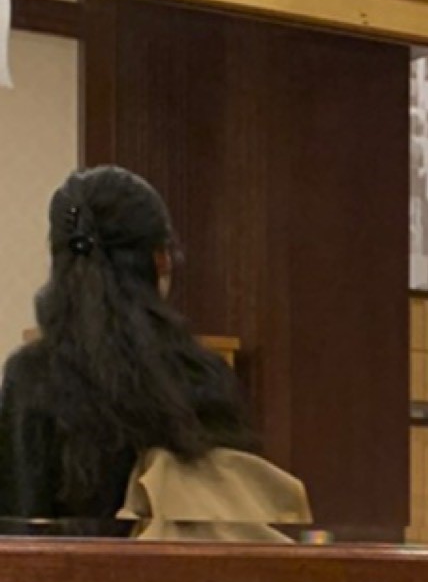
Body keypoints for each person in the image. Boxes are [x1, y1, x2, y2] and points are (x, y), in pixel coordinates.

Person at [0, 166, 254, 531]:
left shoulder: (32, 376)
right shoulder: (204, 373)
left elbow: (20, 528)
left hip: (66, 568)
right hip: (183, 567)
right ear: (160, 259)